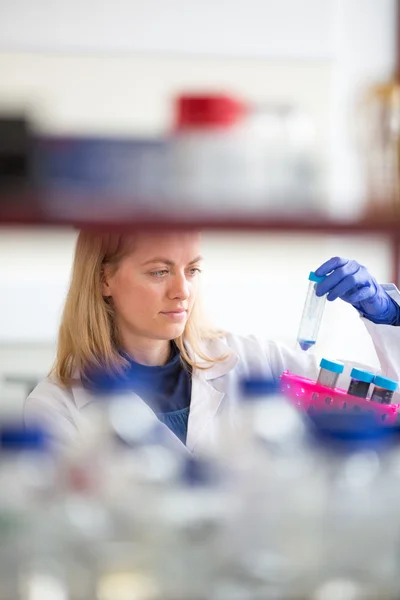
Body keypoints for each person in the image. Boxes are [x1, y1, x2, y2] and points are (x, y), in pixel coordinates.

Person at [25, 230, 400, 452]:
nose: (182, 291)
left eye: (192, 270)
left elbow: (389, 403)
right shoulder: (56, 407)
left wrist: (389, 317)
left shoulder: (252, 361)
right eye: (159, 272)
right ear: (103, 280)